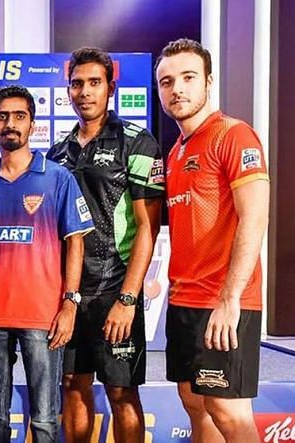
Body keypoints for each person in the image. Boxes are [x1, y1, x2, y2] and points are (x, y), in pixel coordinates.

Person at [0, 85, 94, 443]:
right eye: (3, 116)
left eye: (19, 116)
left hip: (42, 314)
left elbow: (76, 242)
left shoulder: (57, 178)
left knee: (47, 420)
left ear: (32, 124)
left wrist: (70, 302)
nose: (10, 123)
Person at [47, 48, 164, 443]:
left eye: (94, 83)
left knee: (121, 391)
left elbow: (149, 227)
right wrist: (64, 296)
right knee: (71, 385)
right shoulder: (56, 154)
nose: (85, 92)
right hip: (69, 294)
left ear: (110, 88)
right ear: (68, 90)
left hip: (116, 290)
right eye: (77, 84)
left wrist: (128, 300)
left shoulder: (138, 142)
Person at [157, 38, 268, 443]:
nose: (178, 89)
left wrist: (229, 298)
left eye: (188, 78)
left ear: (208, 81)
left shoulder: (234, 136)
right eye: (167, 82)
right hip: (184, 299)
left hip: (222, 301)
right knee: (194, 400)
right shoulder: (174, 152)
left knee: (228, 409)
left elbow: (255, 217)